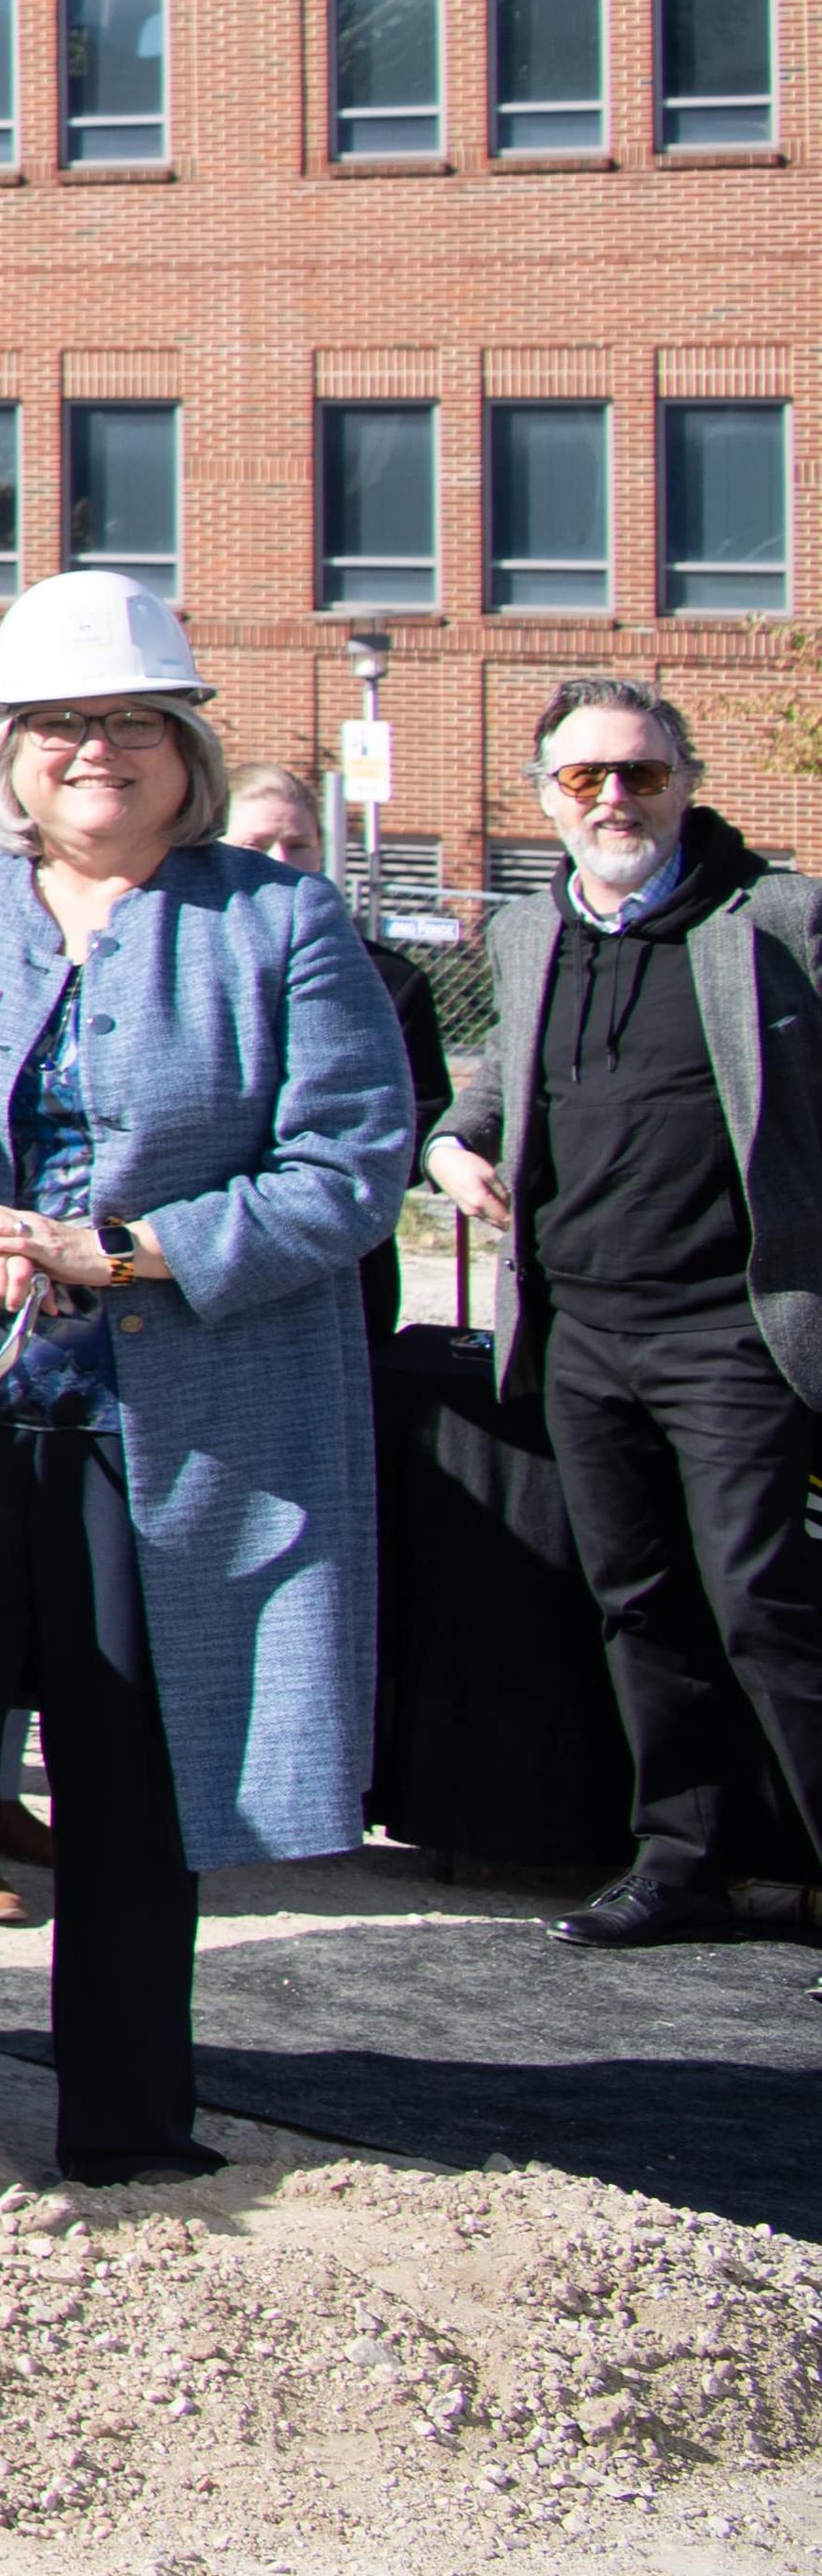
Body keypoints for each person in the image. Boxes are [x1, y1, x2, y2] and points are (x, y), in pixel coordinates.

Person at [0, 571, 413, 2194]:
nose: (94, 752)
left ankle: (128, 2124)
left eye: (131, 722)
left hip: (175, 1433)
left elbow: (345, 1167)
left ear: (183, 746)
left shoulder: (279, 926)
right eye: (60, 724)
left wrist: (120, 1250)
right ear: (8, 747)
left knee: (134, 1784)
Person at [428, 683, 822, 1951]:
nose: (614, 798)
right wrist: (449, 1146)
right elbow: (502, 1083)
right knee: (637, 1601)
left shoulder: (781, 920)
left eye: (640, 775)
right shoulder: (533, 931)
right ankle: (683, 1857)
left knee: (764, 1602)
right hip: (581, 1332)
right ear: (544, 794)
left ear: (686, 781)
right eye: (585, 776)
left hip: (734, 1330)